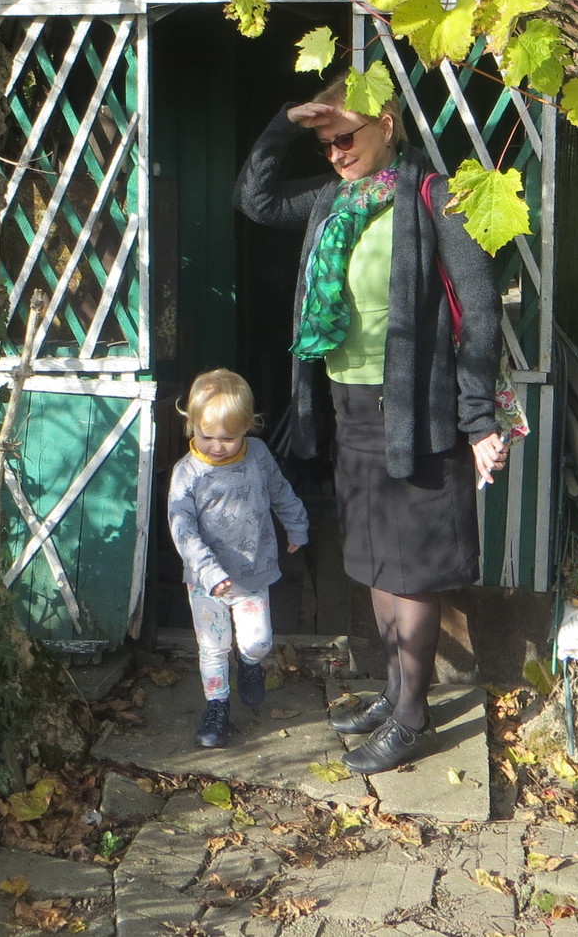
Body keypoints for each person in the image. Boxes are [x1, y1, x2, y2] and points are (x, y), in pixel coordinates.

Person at [234, 72, 509, 773]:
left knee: (411, 566)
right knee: (376, 558)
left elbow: (480, 311)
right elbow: (256, 201)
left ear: (387, 124)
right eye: (325, 144)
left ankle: (413, 719)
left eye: (346, 137)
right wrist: (285, 122)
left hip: (417, 410)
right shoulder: (336, 199)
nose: (335, 153)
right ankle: (394, 692)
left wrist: (478, 417)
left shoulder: (436, 197)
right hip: (350, 404)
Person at [165, 368, 310, 750]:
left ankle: (249, 664)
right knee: (213, 646)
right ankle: (217, 707)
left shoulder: (258, 455)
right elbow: (183, 529)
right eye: (206, 436)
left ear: (248, 426)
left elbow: (280, 491)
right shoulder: (187, 474)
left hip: (252, 572)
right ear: (191, 424)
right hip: (205, 581)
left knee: (258, 641)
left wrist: (296, 524)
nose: (216, 446)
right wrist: (209, 572)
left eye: (228, 438)